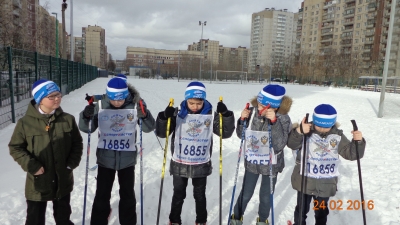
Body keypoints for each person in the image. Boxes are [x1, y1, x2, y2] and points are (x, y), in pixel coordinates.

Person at [155, 81, 235, 225]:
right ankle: (174, 220)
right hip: (180, 163)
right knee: (178, 194)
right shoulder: (177, 112)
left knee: (199, 195)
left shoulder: (210, 114)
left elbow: (226, 133)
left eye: (199, 103)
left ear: (204, 100)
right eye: (191, 103)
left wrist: (226, 115)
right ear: (186, 100)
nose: (195, 107)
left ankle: (201, 220)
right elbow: (162, 133)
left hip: (200, 164)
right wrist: (164, 117)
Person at [79, 77, 155, 225]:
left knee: (127, 195)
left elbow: (148, 128)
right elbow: (87, 128)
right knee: (102, 195)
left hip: (127, 160)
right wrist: (86, 115)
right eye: (114, 100)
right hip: (105, 159)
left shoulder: (135, 104)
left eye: (121, 100)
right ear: (108, 95)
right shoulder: (100, 105)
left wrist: (144, 115)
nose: (117, 103)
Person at [9, 79, 83, 225]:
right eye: (51, 96)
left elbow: (77, 143)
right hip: (38, 181)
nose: (57, 99)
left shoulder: (68, 119)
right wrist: (32, 166)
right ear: (40, 99)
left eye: (58, 95)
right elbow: (15, 147)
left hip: (62, 178)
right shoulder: (25, 123)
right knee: (35, 218)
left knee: (63, 216)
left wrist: (71, 164)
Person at [287, 104, 366, 225]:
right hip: (305, 181)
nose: (322, 129)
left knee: (321, 213)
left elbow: (351, 154)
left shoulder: (337, 136)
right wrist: (299, 131)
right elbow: (292, 144)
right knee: (301, 211)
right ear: (314, 121)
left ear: (332, 124)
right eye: (319, 125)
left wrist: (358, 142)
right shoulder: (306, 131)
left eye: (327, 127)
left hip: (325, 184)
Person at [230, 84, 292, 225]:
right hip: (253, 162)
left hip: (271, 165)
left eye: (263, 105)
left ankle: (262, 220)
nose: (259, 107)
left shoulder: (283, 118)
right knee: (246, 193)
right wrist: (242, 120)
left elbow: (279, 144)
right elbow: (241, 135)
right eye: (258, 103)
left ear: (274, 107)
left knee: (265, 196)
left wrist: (274, 122)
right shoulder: (252, 112)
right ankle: (236, 217)